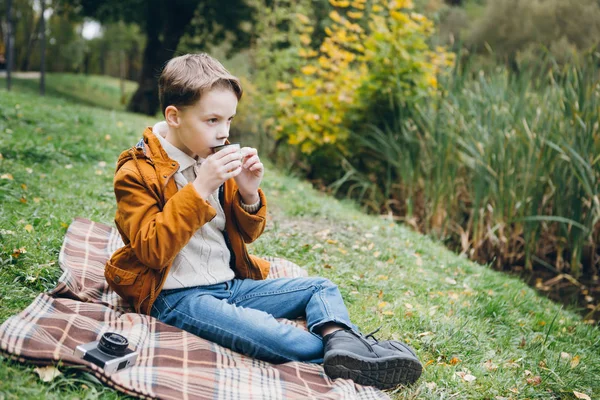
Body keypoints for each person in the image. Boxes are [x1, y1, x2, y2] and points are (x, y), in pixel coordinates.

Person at [105, 53, 423, 389]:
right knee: (280, 337)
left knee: (320, 288)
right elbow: (152, 250)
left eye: (229, 120)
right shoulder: (136, 172)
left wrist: (249, 194)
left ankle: (345, 344)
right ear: (174, 116)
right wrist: (201, 188)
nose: (223, 133)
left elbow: (248, 234)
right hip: (177, 296)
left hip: (229, 284)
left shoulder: (213, 156)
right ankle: (361, 354)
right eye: (212, 120)